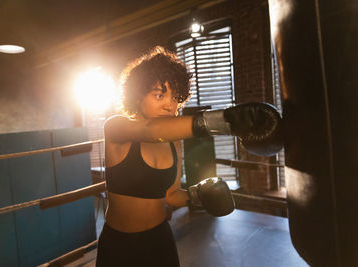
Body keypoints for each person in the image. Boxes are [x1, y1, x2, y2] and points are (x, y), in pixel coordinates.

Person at [95, 46, 282, 267]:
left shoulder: (173, 141)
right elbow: (149, 130)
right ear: (137, 95)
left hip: (160, 239)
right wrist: (227, 121)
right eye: (159, 95)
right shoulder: (116, 127)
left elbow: (171, 194)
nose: (169, 105)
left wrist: (198, 196)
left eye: (176, 97)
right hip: (120, 246)